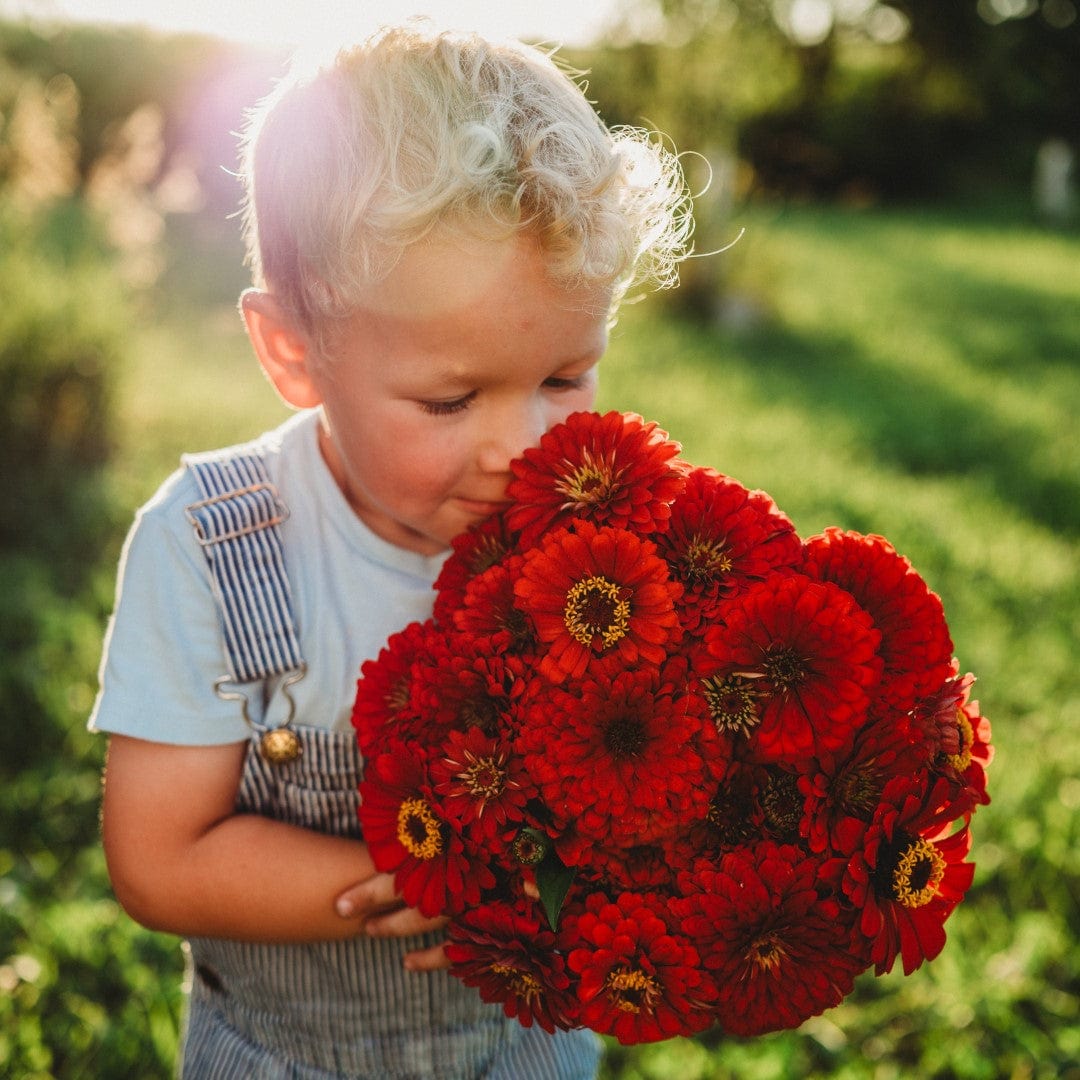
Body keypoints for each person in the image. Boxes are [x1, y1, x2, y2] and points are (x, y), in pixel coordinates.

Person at [90, 19, 693, 1079]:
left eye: (566, 376)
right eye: (450, 398)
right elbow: (157, 859)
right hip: (283, 1054)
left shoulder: (604, 557)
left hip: (524, 1044)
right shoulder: (211, 548)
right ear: (293, 351)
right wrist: (416, 874)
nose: (525, 448)